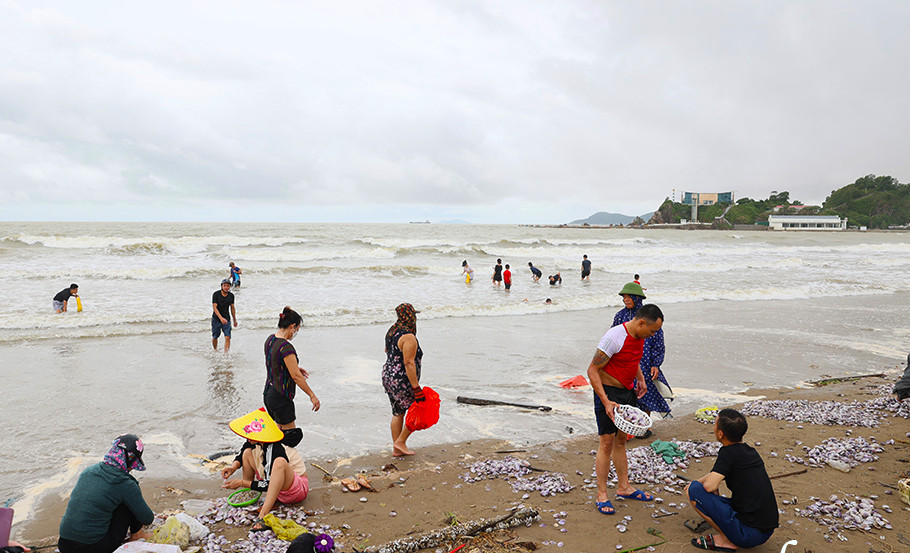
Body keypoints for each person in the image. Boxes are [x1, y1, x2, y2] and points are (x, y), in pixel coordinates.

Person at [586, 304, 664, 515]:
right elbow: (592, 370)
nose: (653, 335)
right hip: (608, 393)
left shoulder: (639, 337)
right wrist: (605, 401)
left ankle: (624, 487)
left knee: (621, 440)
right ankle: (602, 494)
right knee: (606, 442)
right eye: (652, 330)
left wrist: (640, 378)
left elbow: (632, 359)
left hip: (627, 392)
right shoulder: (614, 337)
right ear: (641, 323)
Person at [685, 409, 778, 550]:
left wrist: (696, 485)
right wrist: (698, 480)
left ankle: (726, 540)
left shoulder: (727, 453)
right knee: (697, 486)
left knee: (693, 491)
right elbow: (715, 475)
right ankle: (731, 532)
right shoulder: (750, 451)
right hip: (766, 530)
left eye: (715, 424)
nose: (714, 427)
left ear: (720, 434)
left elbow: (710, 486)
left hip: (749, 535)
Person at [58, 435, 154, 553]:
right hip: (92, 548)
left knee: (109, 500)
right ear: (130, 460)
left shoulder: (89, 471)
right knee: (128, 499)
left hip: (64, 544)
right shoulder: (124, 483)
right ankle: (137, 535)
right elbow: (147, 518)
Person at [221, 408, 309, 532]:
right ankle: (249, 494)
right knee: (247, 453)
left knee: (279, 462)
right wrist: (233, 467)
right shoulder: (256, 441)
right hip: (274, 486)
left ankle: (262, 515)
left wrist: (241, 482)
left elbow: (269, 484)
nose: (248, 437)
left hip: (295, 490)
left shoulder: (277, 449)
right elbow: (243, 452)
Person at [613, 283, 671, 431]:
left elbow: (658, 341)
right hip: (625, 362)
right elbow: (614, 337)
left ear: (637, 298)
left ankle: (643, 426)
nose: (626, 299)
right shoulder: (620, 316)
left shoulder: (649, 316)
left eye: (628, 297)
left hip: (645, 363)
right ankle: (627, 427)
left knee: (646, 395)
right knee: (626, 395)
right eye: (624, 297)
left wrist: (656, 364)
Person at [263, 306, 320, 431]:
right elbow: (296, 377)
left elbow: (274, 362)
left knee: (277, 434)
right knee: (289, 437)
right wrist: (312, 396)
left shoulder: (270, 340)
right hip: (281, 396)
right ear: (292, 326)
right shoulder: (286, 347)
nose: (295, 333)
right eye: (297, 329)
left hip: (268, 394)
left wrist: (295, 367)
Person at [381, 303, 424, 457]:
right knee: (418, 409)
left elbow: (387, 351)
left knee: (398, 412)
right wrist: (416, 387)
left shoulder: (392, 331)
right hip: (401, 379)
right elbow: (408, 363)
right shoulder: (408, 337)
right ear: (410, 316)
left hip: (388, 375)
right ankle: (400, 442)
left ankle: (397, 448)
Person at [212, 279, 237, 352]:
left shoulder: (231, 296)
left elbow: (232, 308)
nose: (226, 287)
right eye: (224, 285)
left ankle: (226, 355)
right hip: (216, 319)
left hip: (227, 319)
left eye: (228, 286)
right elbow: (214, 308)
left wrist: (234, 320)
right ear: (222, 286)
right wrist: (221, 318)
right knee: (215, 336)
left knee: (228, 337)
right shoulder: (216, 294)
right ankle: (215, 350)